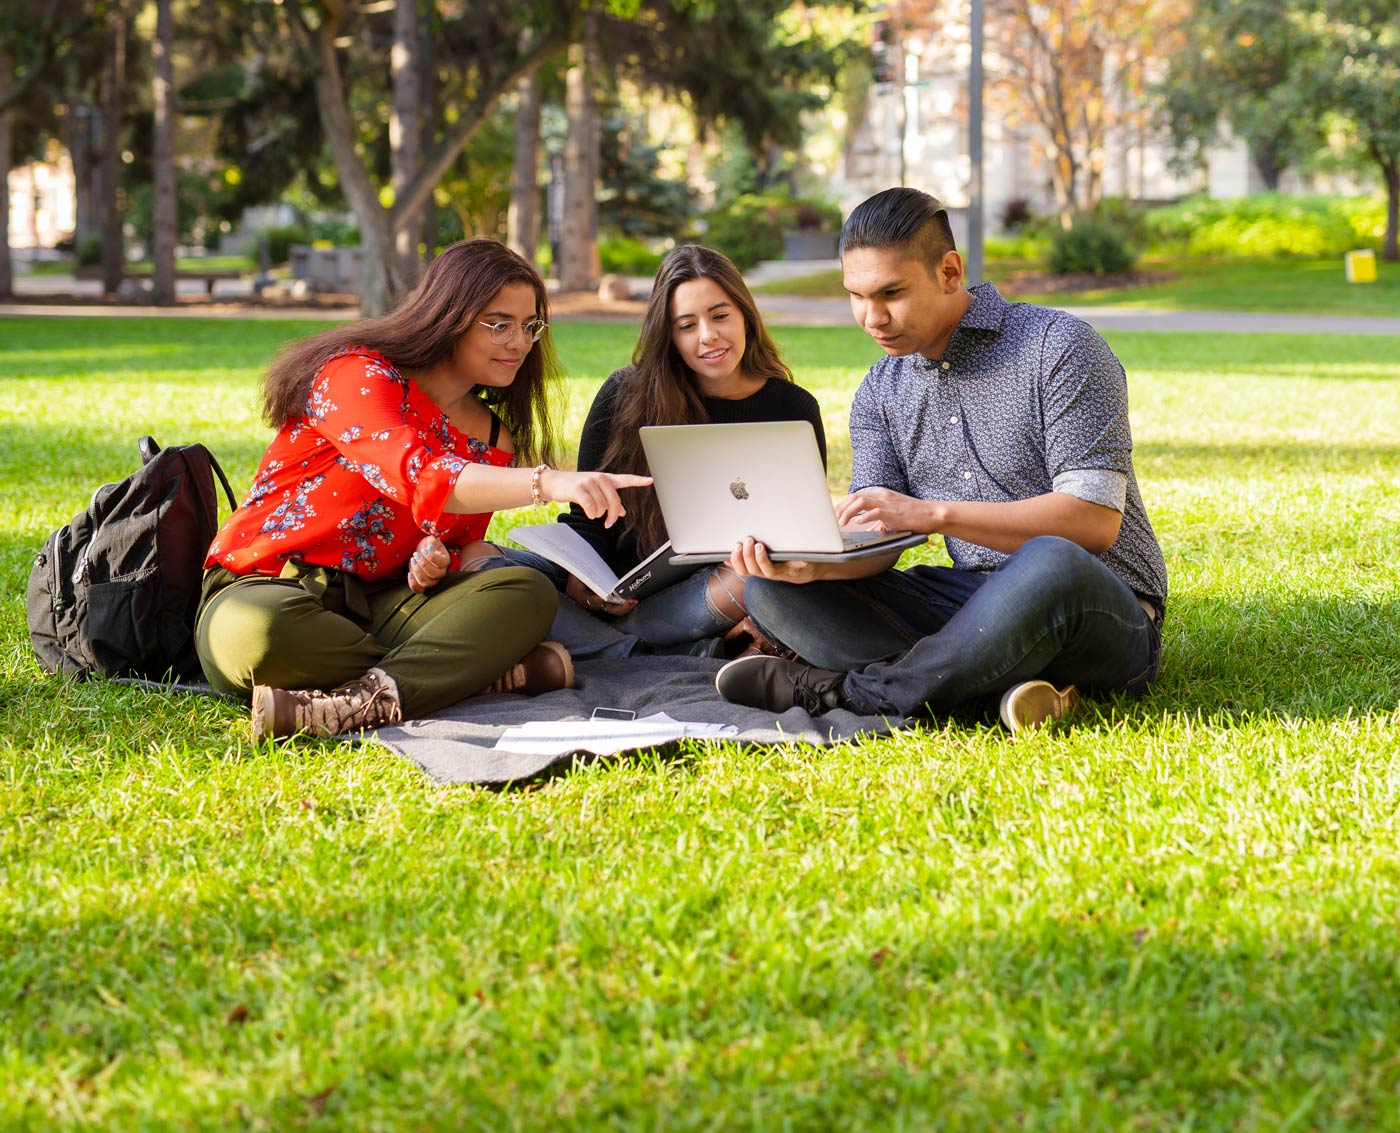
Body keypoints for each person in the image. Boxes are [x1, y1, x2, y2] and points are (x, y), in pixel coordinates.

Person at [714, 188, 1167, 733]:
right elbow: (877, 539)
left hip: (1096, 604)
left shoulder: (1060, 347)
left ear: (949, 271)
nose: (871, 317)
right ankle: (997, 685)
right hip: (969, 607)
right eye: (855, 295)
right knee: (773, 589)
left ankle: (857, 693)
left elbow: (1092, 525)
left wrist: (932, 514)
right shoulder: (880, 390)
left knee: (1052, 560)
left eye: (891, 293)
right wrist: (816, 563)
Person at [196, 238, 650, 742]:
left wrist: (433, 559)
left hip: (388, 604)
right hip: (270, 586)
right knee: (261, 637)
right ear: (449, 315)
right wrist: (548, 481)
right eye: (499, 324)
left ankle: (360, 701)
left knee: (525, 593)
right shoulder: (356, 374)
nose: (520, 342)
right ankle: (466, 675)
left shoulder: (490, 434)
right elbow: (421, 472)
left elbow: (455, 545)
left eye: (530, 326)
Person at [554, 243, 827, 648]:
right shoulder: (622, 394)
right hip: (617, 596)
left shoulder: (793, 407)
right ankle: (682, 647)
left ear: (745, 316)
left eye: (720, 316)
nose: (708, 336)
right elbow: (585, 519)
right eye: (686, 325)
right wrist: (583, 578)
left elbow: (807, 534)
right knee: (506, 571)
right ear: (670, 336)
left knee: (752, 583)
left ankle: (617, 646)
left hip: (724, 593)